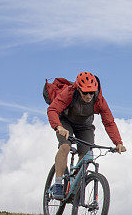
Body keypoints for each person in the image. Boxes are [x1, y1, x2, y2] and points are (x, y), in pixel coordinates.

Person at [47, 71, 126, 199]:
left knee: (87, 155)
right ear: (79, 89)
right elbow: (52, 109)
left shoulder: (99, 100)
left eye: (91, 92)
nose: (89, 96)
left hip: (85, 126)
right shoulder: (69, 93)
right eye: (85, 93)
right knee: (65, 147)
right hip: (65, 122)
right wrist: (58, 126)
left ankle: (74, 184)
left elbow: (109, 122)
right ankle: (58, 184)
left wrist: (118, 143)